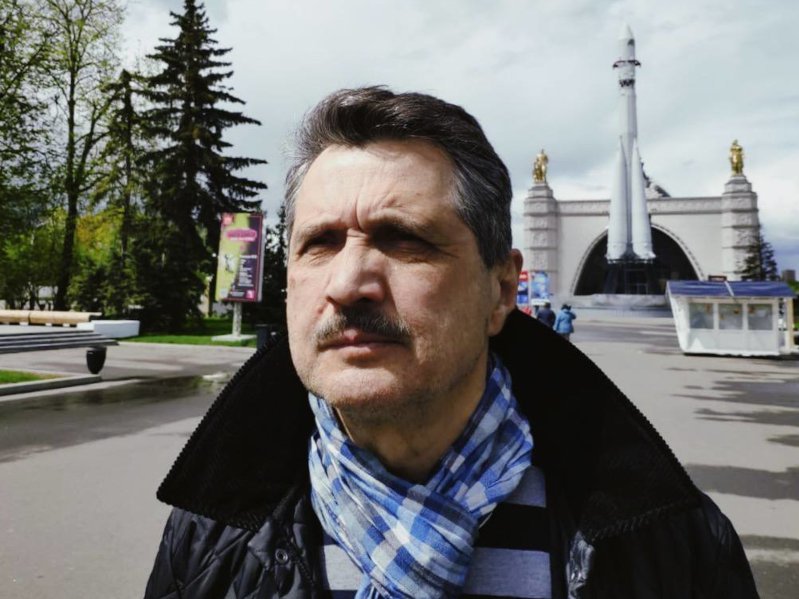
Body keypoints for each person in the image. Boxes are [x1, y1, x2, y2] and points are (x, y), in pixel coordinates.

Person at [145, 87, 758, 598]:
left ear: (501, 289)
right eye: (320, 243)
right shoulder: (212, 538)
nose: (348, 284)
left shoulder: (663, 543)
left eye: (405, 239)